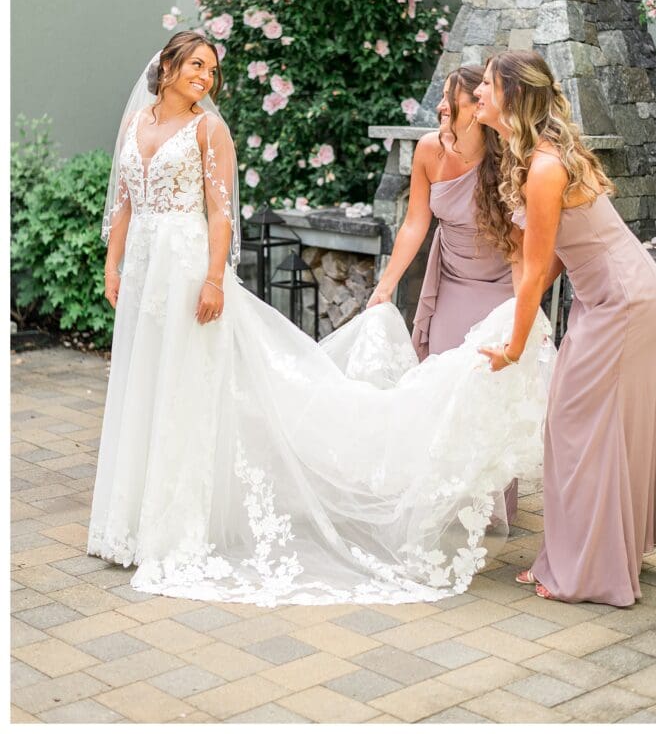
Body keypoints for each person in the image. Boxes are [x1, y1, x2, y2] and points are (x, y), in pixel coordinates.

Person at [87, 33, 554, 608]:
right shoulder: (137, 124)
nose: (206, 76)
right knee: (143, 384)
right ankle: (128, 518)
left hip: (189, 269)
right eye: (197, 65)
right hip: (146, 273)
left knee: (186, 388)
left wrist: (213, 279)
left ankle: (176, 524)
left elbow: (220, 213)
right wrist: (115, 263)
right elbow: (126, 201)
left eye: (212, 68)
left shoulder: (211, 129)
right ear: (168, 65)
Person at [474, 49, 656, 607]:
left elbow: (539, 268)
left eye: (486, 85)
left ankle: (587, 570)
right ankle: (594, 552)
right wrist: (516, 313)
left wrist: (515, 346)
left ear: (512, 96)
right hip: (609, 293)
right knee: (589, 426)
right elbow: (558, 255)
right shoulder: (535, 156)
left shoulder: (543, 166)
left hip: (620, 299)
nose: (477, 95)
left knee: (574, 426)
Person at [368, 66, 519, 522]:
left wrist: (519, 312)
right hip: (451, 278)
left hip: (501, 282)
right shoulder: (429, 150)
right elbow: (416, 222)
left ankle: (490, 505)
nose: (439, 107)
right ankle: (446, 494)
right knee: (441, 379)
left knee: (488, 384)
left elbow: (524, 243)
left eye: (449, 101)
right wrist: (386, 285)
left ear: (477, 108)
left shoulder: (508, 156)